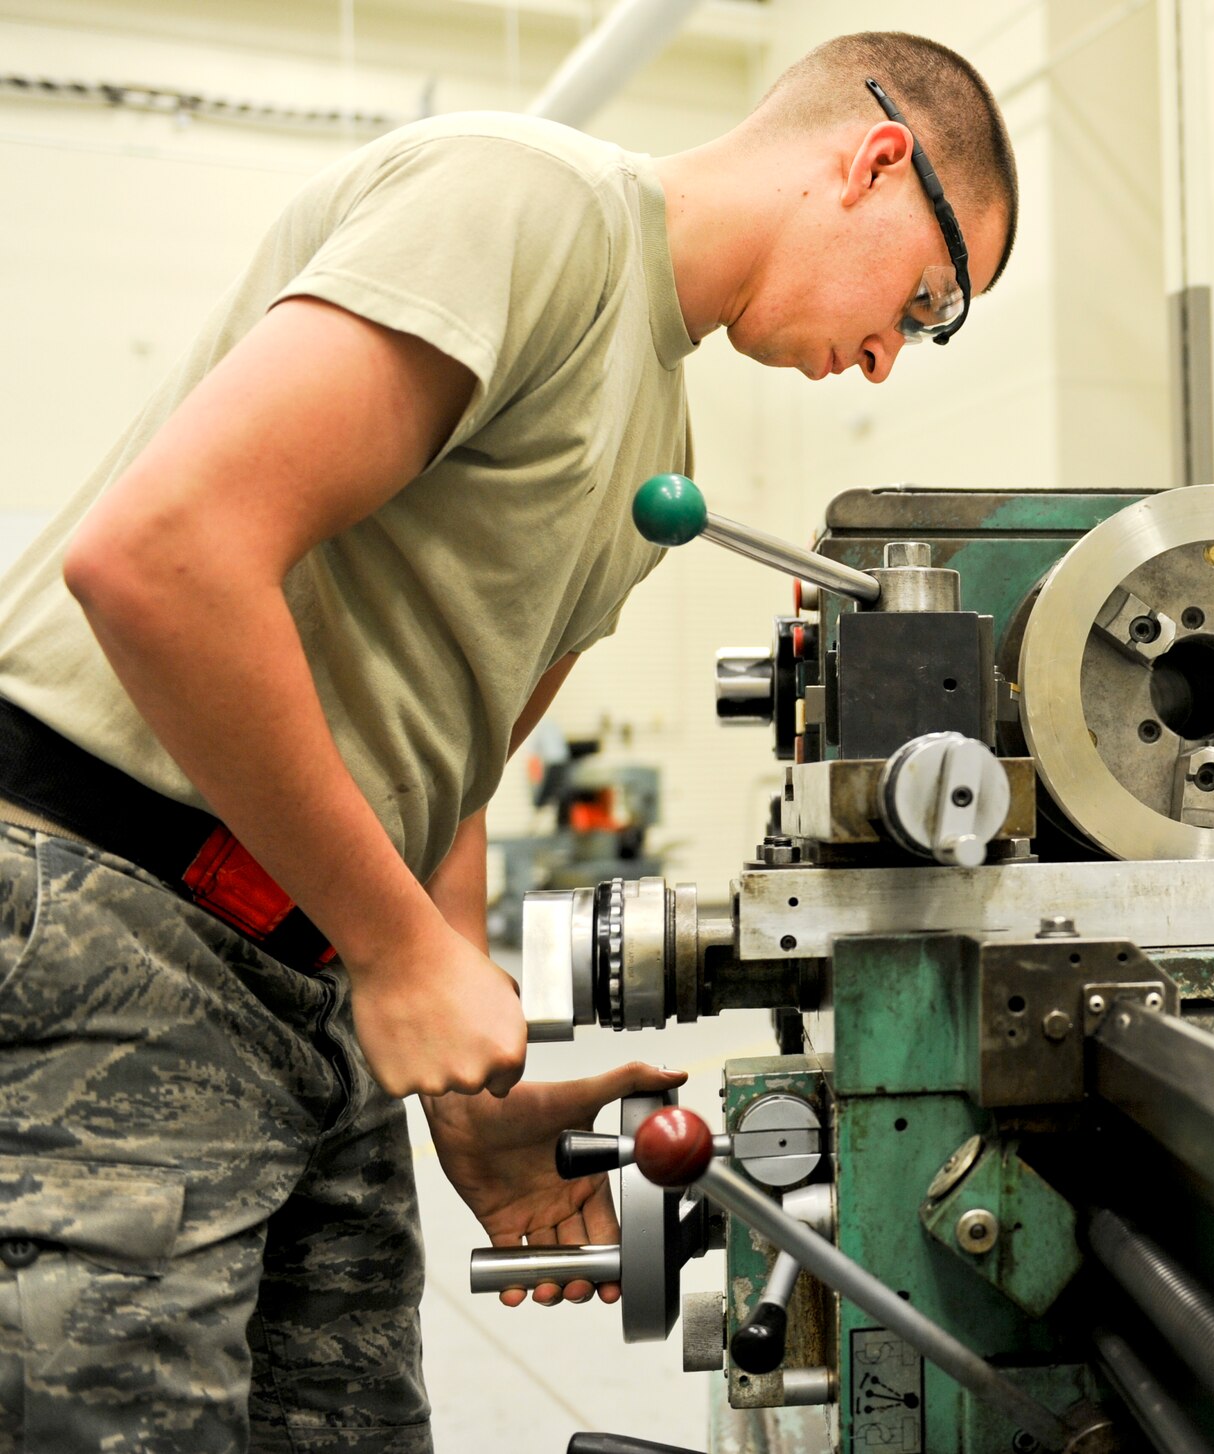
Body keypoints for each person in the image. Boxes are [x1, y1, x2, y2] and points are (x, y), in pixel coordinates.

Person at [0, 28, 1016, 1453]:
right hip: (114, 917)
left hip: (307, 982)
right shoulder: (528, 202)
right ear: (872, 159)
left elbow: (452, 769)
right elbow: (160, 559)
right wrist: (402, 952)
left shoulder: (660, 442)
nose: (885, 361)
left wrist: (469, 1077)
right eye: (924, 301)